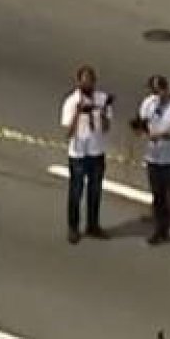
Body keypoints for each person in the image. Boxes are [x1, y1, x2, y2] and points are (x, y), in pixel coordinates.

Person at [134, 74, 170, 257]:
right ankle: (161, 230)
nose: (154, 95)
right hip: (154, 158)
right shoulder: (149, 104)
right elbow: (142, 122)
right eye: (152, 91)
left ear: (165, 89)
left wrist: (164, 135)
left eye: (157, 91)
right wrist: (140, 128)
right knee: (158, 198)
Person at [60, 65, 112, 244]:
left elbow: (106, 128)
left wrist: (103, 112)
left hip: (96, 152)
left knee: (95, 191)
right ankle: (73, 227)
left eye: (90, 80)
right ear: (79, 81)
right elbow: (67, 134)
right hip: (78, 154)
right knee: (76, 191)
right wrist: (78, 112)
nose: (87, 83)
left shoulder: (102, 99)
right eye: (84, 80)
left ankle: (93, 224)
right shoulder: (71, 102)